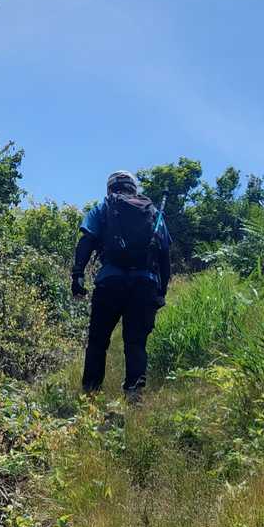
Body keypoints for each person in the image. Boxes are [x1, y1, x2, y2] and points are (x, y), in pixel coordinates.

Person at [72, 170, 171, 398]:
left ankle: (90, 393)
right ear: (133, 188)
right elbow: (164, 254)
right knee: (136, 343)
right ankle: (134, 393)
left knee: (98, 341)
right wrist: (161, 291)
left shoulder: (104, 207)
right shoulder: (153, 212)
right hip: (145, 284)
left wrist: (78, 274)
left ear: (110, 188)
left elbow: (87, 240)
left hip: (110, 282)